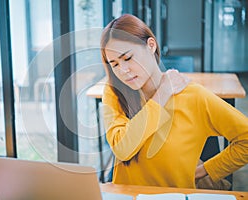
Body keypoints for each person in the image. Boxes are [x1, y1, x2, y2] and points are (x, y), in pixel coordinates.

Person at [100, 14, 248, 189]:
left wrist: (205, 171)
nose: (123, 70)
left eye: (127, 58)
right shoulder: (113, 93)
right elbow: (123, 149)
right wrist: (163, 94)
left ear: (151, 45)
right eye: (114, 64)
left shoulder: (194, 96)